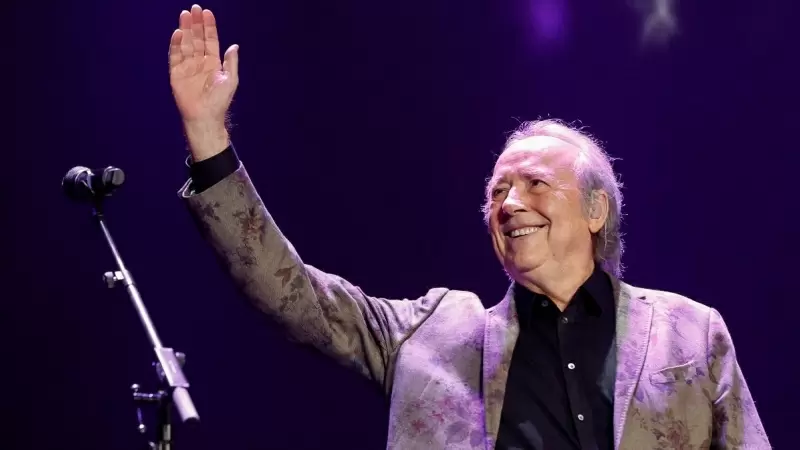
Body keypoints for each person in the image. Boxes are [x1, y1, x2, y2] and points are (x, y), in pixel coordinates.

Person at [168, 4, 771, 449]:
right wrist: (207, 138)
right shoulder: (430, 334)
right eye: (497, 191)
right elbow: (294, 296)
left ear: (595, 210)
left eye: (535, 183)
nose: (510, 203)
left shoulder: (690, 332)